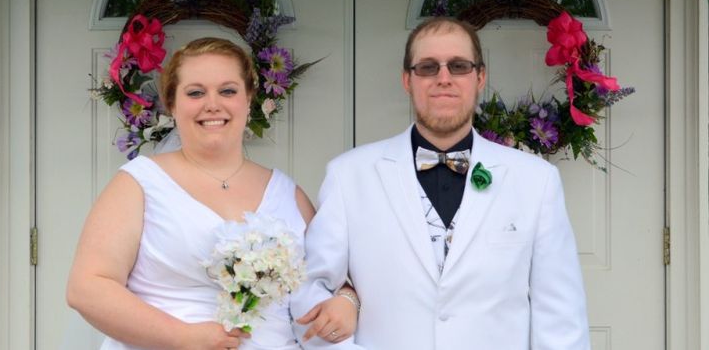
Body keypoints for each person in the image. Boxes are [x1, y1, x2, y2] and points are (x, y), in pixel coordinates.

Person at [292, 17, 591, 349]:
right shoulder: (349, 176)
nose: (444, 78)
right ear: (407, 80)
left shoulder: (536, 181)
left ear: (480, 77)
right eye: (428, 67)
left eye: (459, 66)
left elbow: (561, 318)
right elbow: (308, 292)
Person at [66, 37, 358, 350]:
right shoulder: (138, 184)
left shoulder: (289, 194)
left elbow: (330, 279)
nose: (212, 104)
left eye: (228, 91)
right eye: (195, 92)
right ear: (172, 104)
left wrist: (347, 301)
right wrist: (182, 337)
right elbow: (87, 288)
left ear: (248, 99)